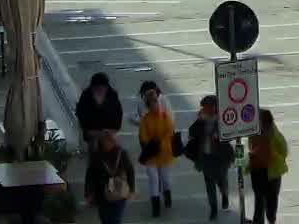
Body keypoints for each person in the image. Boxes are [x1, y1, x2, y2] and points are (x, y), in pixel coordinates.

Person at [185, 94, 234, 221]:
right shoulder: (202, 119)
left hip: (221, 158)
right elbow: (191, 132)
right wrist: (200, 121)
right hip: (206, 157)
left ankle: (224, 194)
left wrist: (219, 136)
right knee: (209, 184)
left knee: (221, 181)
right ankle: (213, 208)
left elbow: (231, 135)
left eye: (206, 107)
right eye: (203, 107)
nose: (203, 109)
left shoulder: (223, 118)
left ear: (214, 107)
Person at [136, 81, 176, 215]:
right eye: (153, 104)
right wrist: (150, 142)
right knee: (153, 179)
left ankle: (167, 195)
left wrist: (161, 141)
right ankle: (156, 207)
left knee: (165, 178)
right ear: (148, 106)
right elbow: (143, 135)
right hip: (151, 153)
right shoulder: (145, 120)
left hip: (164, 152)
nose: (156, 106)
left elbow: (170, 131)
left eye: (157, 103)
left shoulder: (165, 116)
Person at [84, 128, 136, 224]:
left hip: (118, 190)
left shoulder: (121, 154)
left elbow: (130, 171)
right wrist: (88, 193)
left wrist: (132, 189)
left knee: (115, 218)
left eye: (111, 141)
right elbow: (90, 175)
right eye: (107, 141)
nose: (109, 143)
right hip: (102, 193)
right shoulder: (96, 156)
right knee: (105, 218)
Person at [245, 109, 287, 224]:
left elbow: (283, 150)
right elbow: (284, 150)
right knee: (264, 199)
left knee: (269, 199)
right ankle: (265, 220)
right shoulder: (257, 132)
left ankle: (269, 219)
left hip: (269, 171)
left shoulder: (272, 134)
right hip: (262, 170)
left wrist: (271, 154)